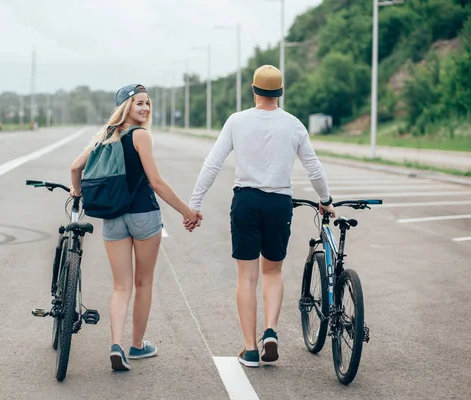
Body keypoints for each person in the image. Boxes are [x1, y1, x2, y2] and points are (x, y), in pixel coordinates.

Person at [186, 65, 336, 368]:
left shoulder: (237, 121)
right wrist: (326, 200)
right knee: (272, 272)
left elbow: (213, 163)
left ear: (254, 90)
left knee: (246, 276)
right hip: (279, 203)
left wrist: (195, 202)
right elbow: (314, 168)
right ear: (280, 93)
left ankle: (250, 349)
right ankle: (271, 331)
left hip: (246, 201)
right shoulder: (293, 125)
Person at [70, 84, 202, 371]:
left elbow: (75, 168)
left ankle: (115, 344)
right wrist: (186, 211)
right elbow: (155, 182)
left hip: (113, 219)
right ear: (126, 107)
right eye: (139, 103)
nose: (144, 108)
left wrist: (77, 193)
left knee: (121, 286)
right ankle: (137, 346)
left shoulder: (103, 136)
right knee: (143, 284)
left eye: (147, 103)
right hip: (144, 216)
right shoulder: (141, 136)